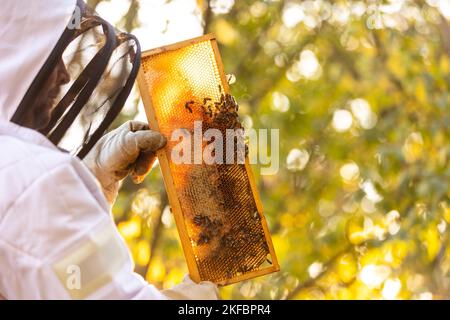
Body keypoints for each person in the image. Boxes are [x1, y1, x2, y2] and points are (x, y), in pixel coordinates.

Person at [0, 0, 219, 300]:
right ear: (20, 52)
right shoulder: (31, 182)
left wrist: (92, 177)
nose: (64, 75)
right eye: (53, 53)